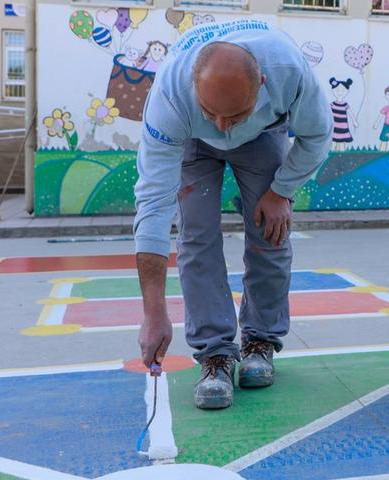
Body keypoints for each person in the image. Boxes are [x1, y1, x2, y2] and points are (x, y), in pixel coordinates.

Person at [134, 19, 332, 409]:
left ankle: (260, 339)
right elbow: (153, 205)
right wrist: (153, 313)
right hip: (192, 139)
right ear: (194, 86)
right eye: (213, 114)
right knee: (196, 236)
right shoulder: (170, 100)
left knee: (270, 231)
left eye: (234, 116)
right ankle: (215, 354)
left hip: (262, 135)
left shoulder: (288, 71)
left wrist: (281, 191)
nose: (223, 130)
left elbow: (317, 136)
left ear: (260, 83)